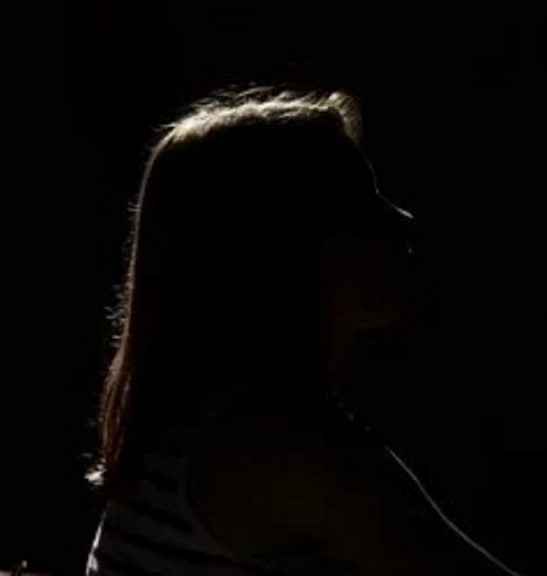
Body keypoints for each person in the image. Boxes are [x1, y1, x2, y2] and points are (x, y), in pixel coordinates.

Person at [86, 88, 517, 575]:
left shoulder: (194, 430)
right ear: (279, 249)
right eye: (361, 206)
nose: (402, 220)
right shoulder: (283, 449)